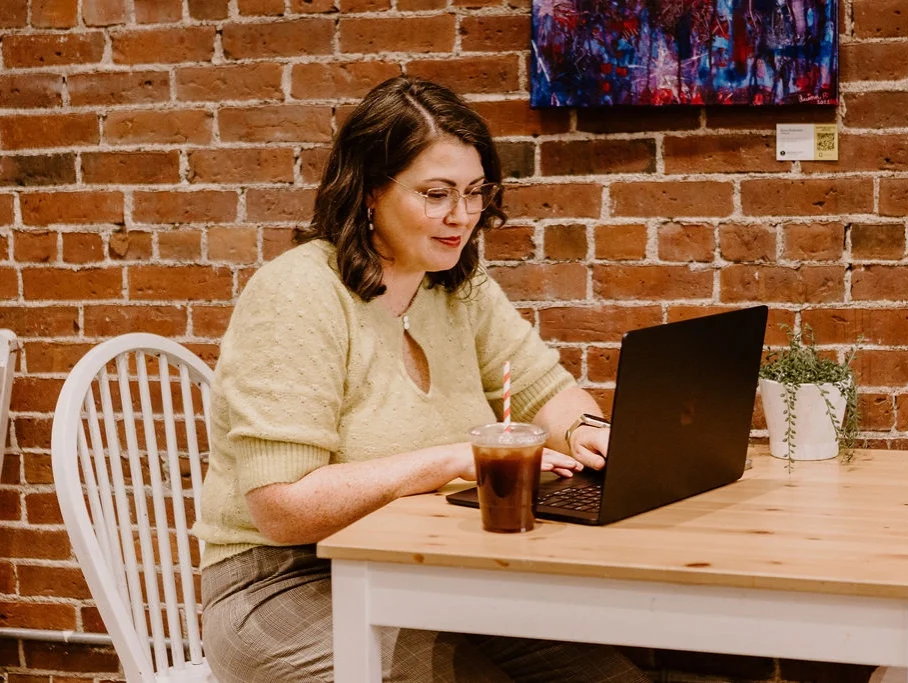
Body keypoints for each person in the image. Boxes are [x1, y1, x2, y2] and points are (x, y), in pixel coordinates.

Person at [194, 75, 650, 683]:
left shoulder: (458, 287)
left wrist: (586, 430)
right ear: (368, 192)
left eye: (474, 193)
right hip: (286, 588)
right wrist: (453, 460)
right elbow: (283, 509)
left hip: (423, 574)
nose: (461, 217)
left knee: (612, 678)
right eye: (436, 194)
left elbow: (544, 389)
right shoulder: (298, 293)